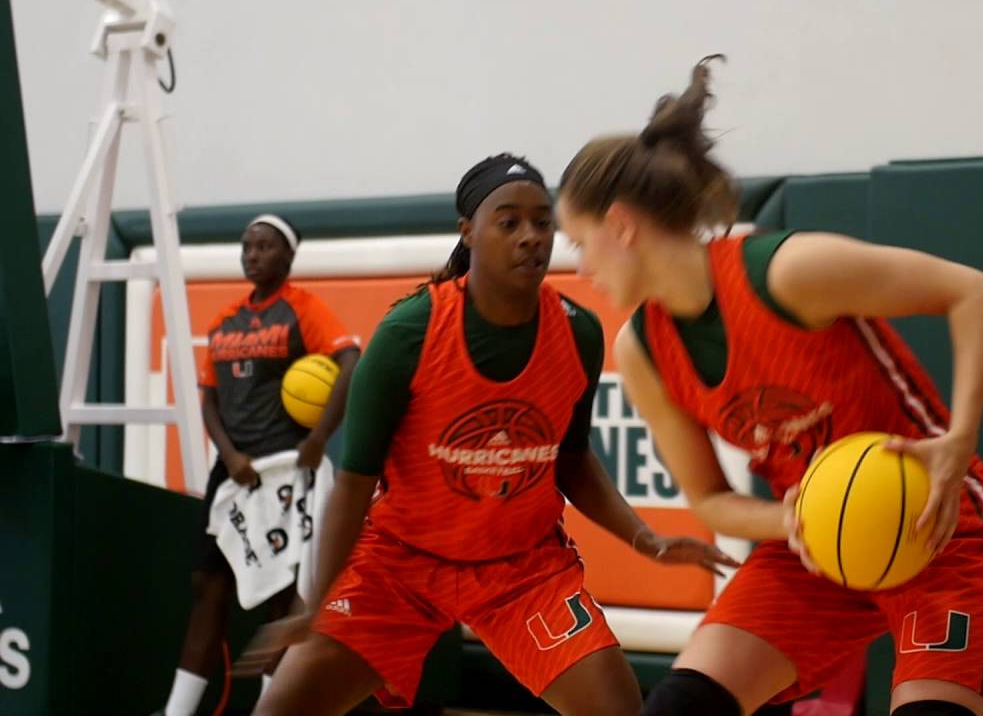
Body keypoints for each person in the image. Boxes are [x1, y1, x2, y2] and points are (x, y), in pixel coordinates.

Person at [555, 56, 983, 716]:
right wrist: (798, 521)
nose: (581, 267)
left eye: (580, 242)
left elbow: (974, 292)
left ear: (623, 226)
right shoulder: (643, 351)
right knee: (679, 708)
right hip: (814, 555)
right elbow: (712, 501)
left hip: (938, 531)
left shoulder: (788, 272)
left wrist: (960, 438)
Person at [235, 154, 737, 716]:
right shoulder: (409, 333)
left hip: (522, 567)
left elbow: (571, 460)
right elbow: (353, 485)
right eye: (509, 222)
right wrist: (314, 603)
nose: (530, 237)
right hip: (402, 563)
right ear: (468, 231)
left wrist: (644, 538)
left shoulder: (578, 332)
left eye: (543, 223)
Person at [158, 215, 361, 716]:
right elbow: (209, 398)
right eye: (246, 247)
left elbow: (350, 362)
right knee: (209, 586)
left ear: (287, 257)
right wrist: (228, 454)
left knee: (283, 600)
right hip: (234, 473)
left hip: (286, 472)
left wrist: (318, 438)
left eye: (264, 247)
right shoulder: (225, 320)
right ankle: (179, 710)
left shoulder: (303, 309)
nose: (252, 255)